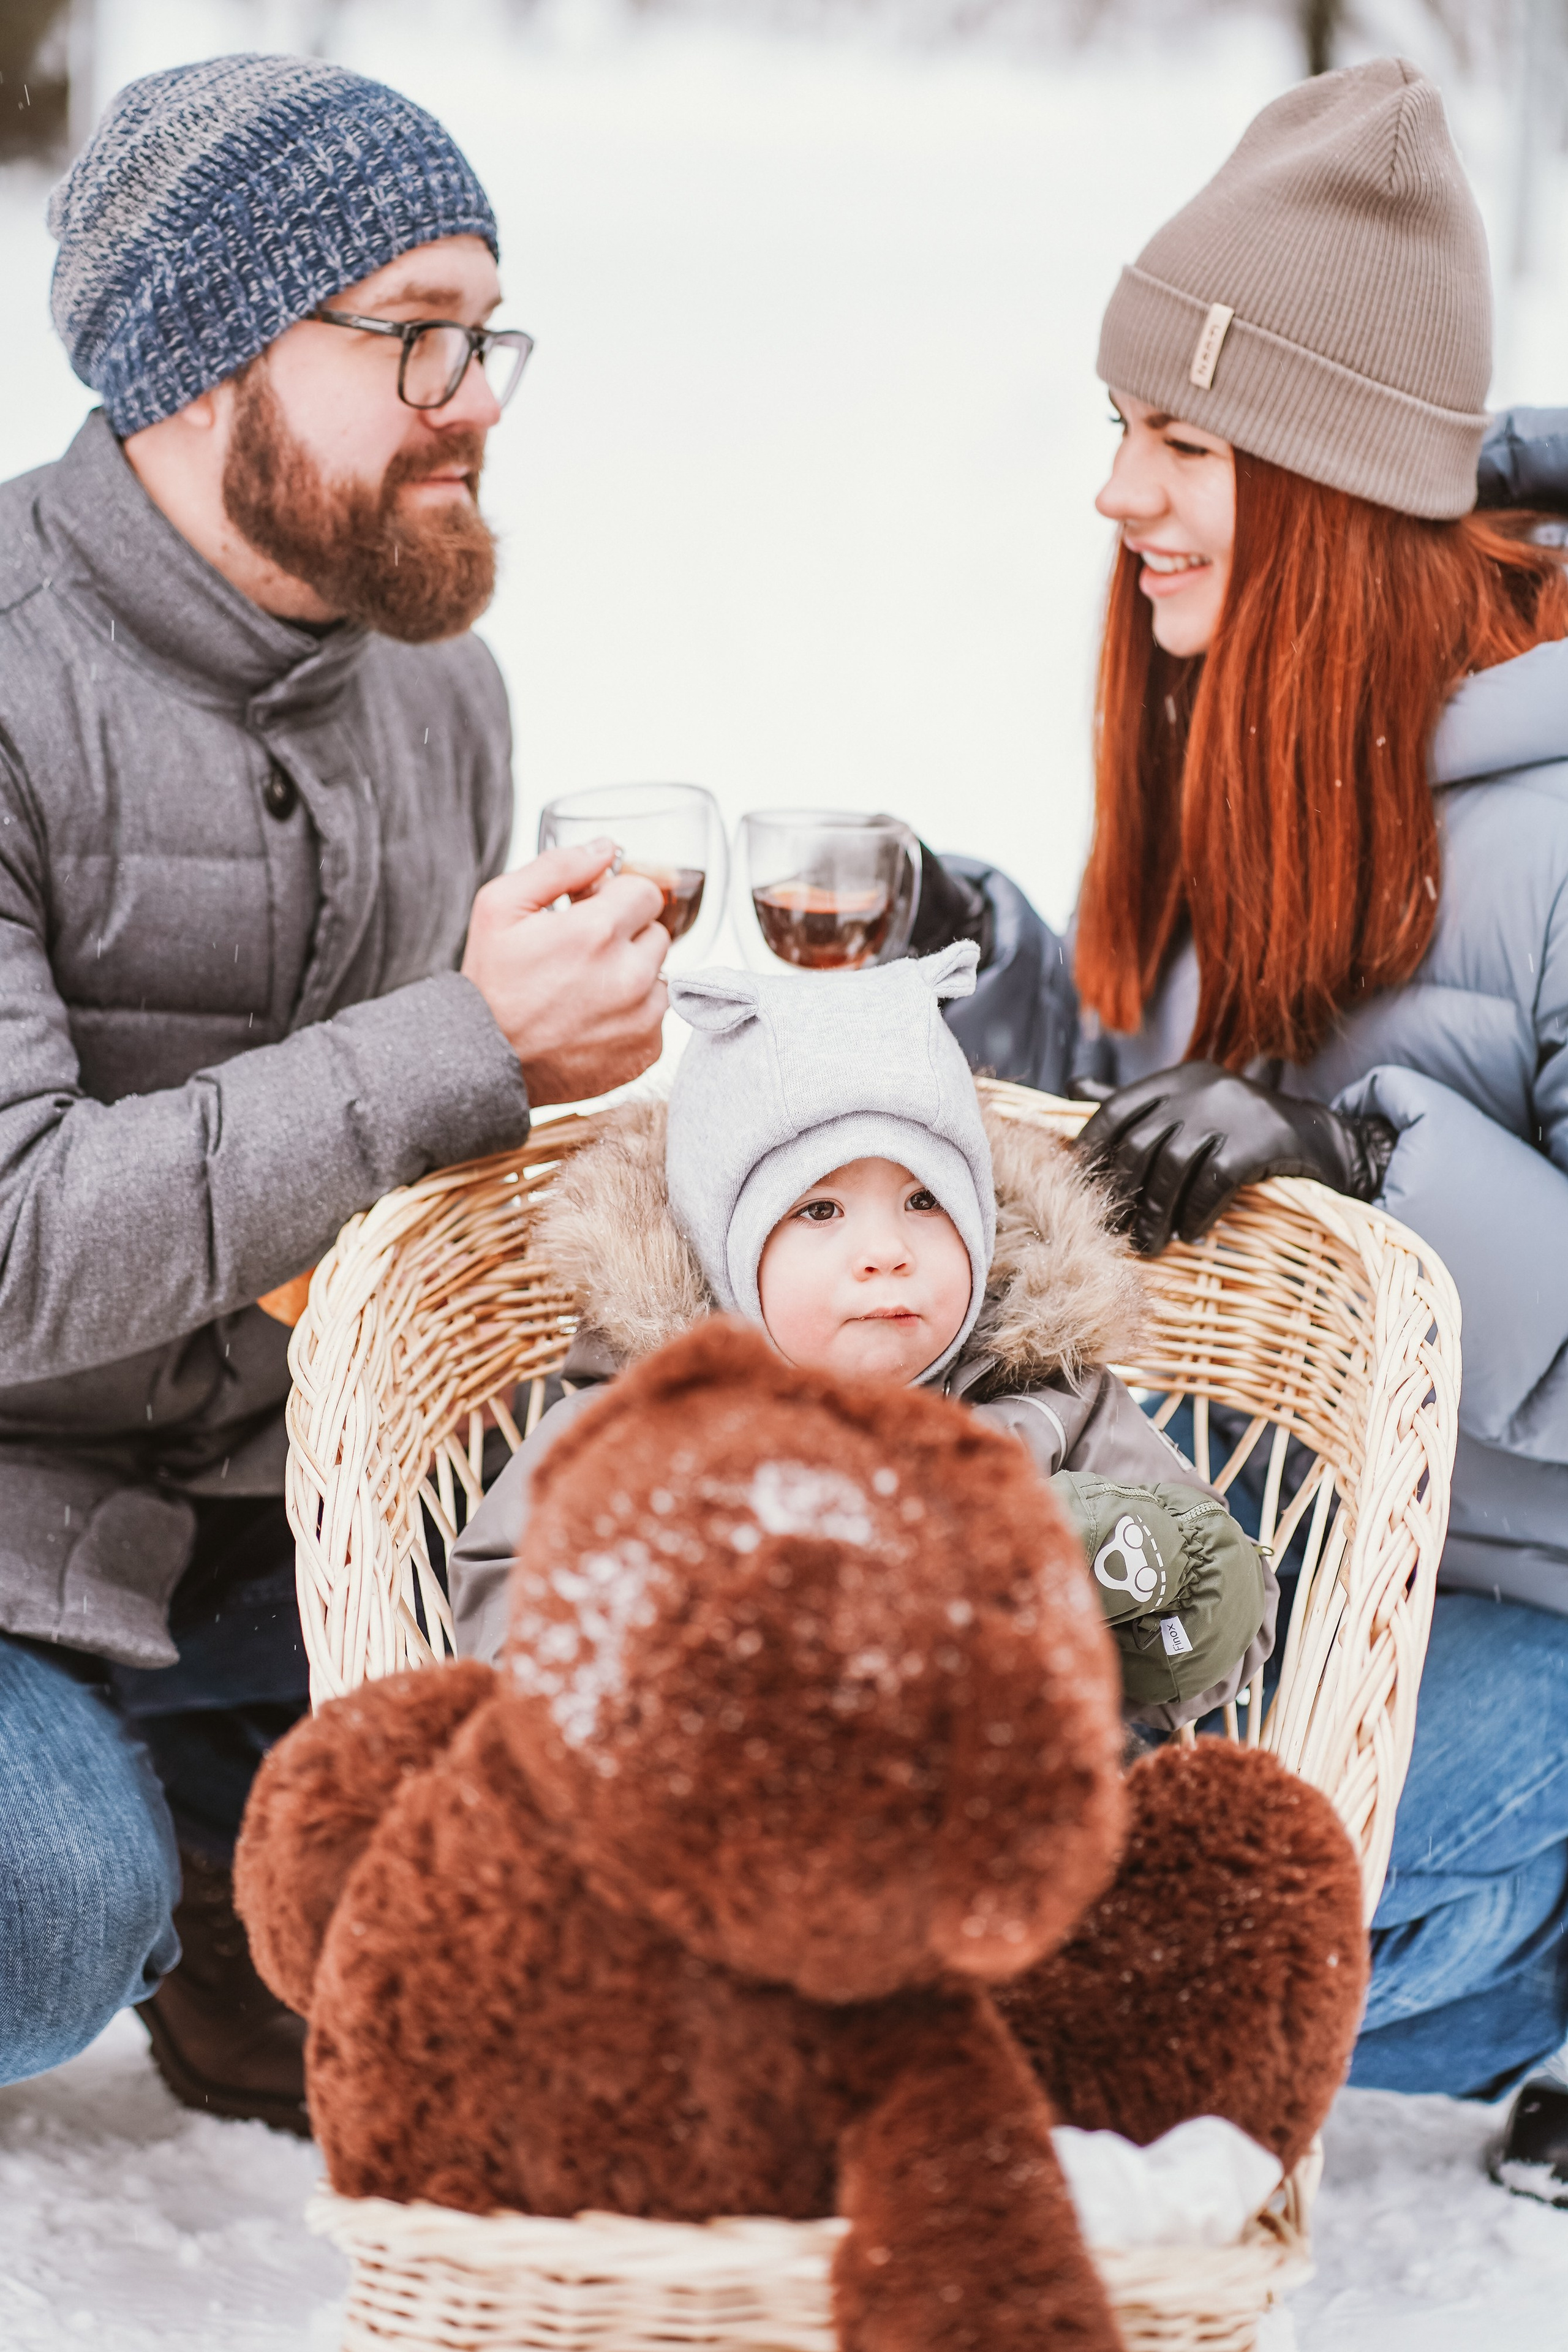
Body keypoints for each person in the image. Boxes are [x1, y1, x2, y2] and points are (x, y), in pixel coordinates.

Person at [0, 55, 671, 2130]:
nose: (476, 394)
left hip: (296, 1532)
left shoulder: (438, 688)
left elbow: (423, 1183)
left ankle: (234, 1878)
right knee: (41, 1904)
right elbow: (17, 1248)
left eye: (488, 334)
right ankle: (139, 1869)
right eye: (414, 338)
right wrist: (462, 1042)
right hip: (15, 1527)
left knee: (607, 1888)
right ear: (207, 361)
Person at [931, 57, 1568, 2190]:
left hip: (1529, 1627)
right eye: (1127, 426)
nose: (1117, 491)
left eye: (1184, 440)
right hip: (1265, 1552)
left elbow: (1313, 1135)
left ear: (1326, 489)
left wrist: (1374, 1164)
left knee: (1165, 1960)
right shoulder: (1263, 722)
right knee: (950, 1874)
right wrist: (991, 955)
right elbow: (1156, 1120)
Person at [447, 943, 1272, 1730]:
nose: (886, 1253)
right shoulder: (636, 1427)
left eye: (924, 1201)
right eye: (818, 1210)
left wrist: (1102, 1555)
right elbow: (507, 1605)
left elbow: (1225, 1618)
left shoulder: (1054, 1404)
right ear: (728, 1256)